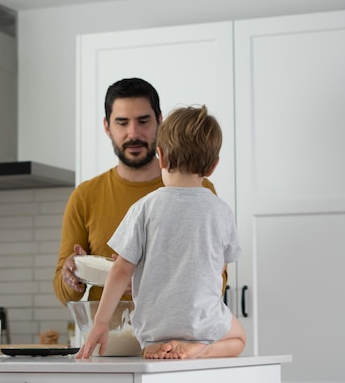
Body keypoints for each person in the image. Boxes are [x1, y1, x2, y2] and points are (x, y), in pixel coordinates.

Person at [75, 105, 246, 360]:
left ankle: (158, 345)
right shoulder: (221, 210)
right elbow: (219, 262)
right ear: (212, 167)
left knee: (153, 337)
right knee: (239, 338)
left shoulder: (144, 207)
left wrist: (101, 322)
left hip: (153, 327)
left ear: (161, 157)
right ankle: (201, 349)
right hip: (203, 322)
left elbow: (121, 269)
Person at [53, 78, 224, 304]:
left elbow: (217, 280)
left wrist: (150, 284)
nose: (133, 133)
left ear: (160, 122)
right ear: (107, 127)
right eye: (122, 123)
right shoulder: (85, 196)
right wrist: (71, 275)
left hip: (174, 337)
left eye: (143, 121)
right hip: (108, 336)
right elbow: (62, 291)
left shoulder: (198, 187)